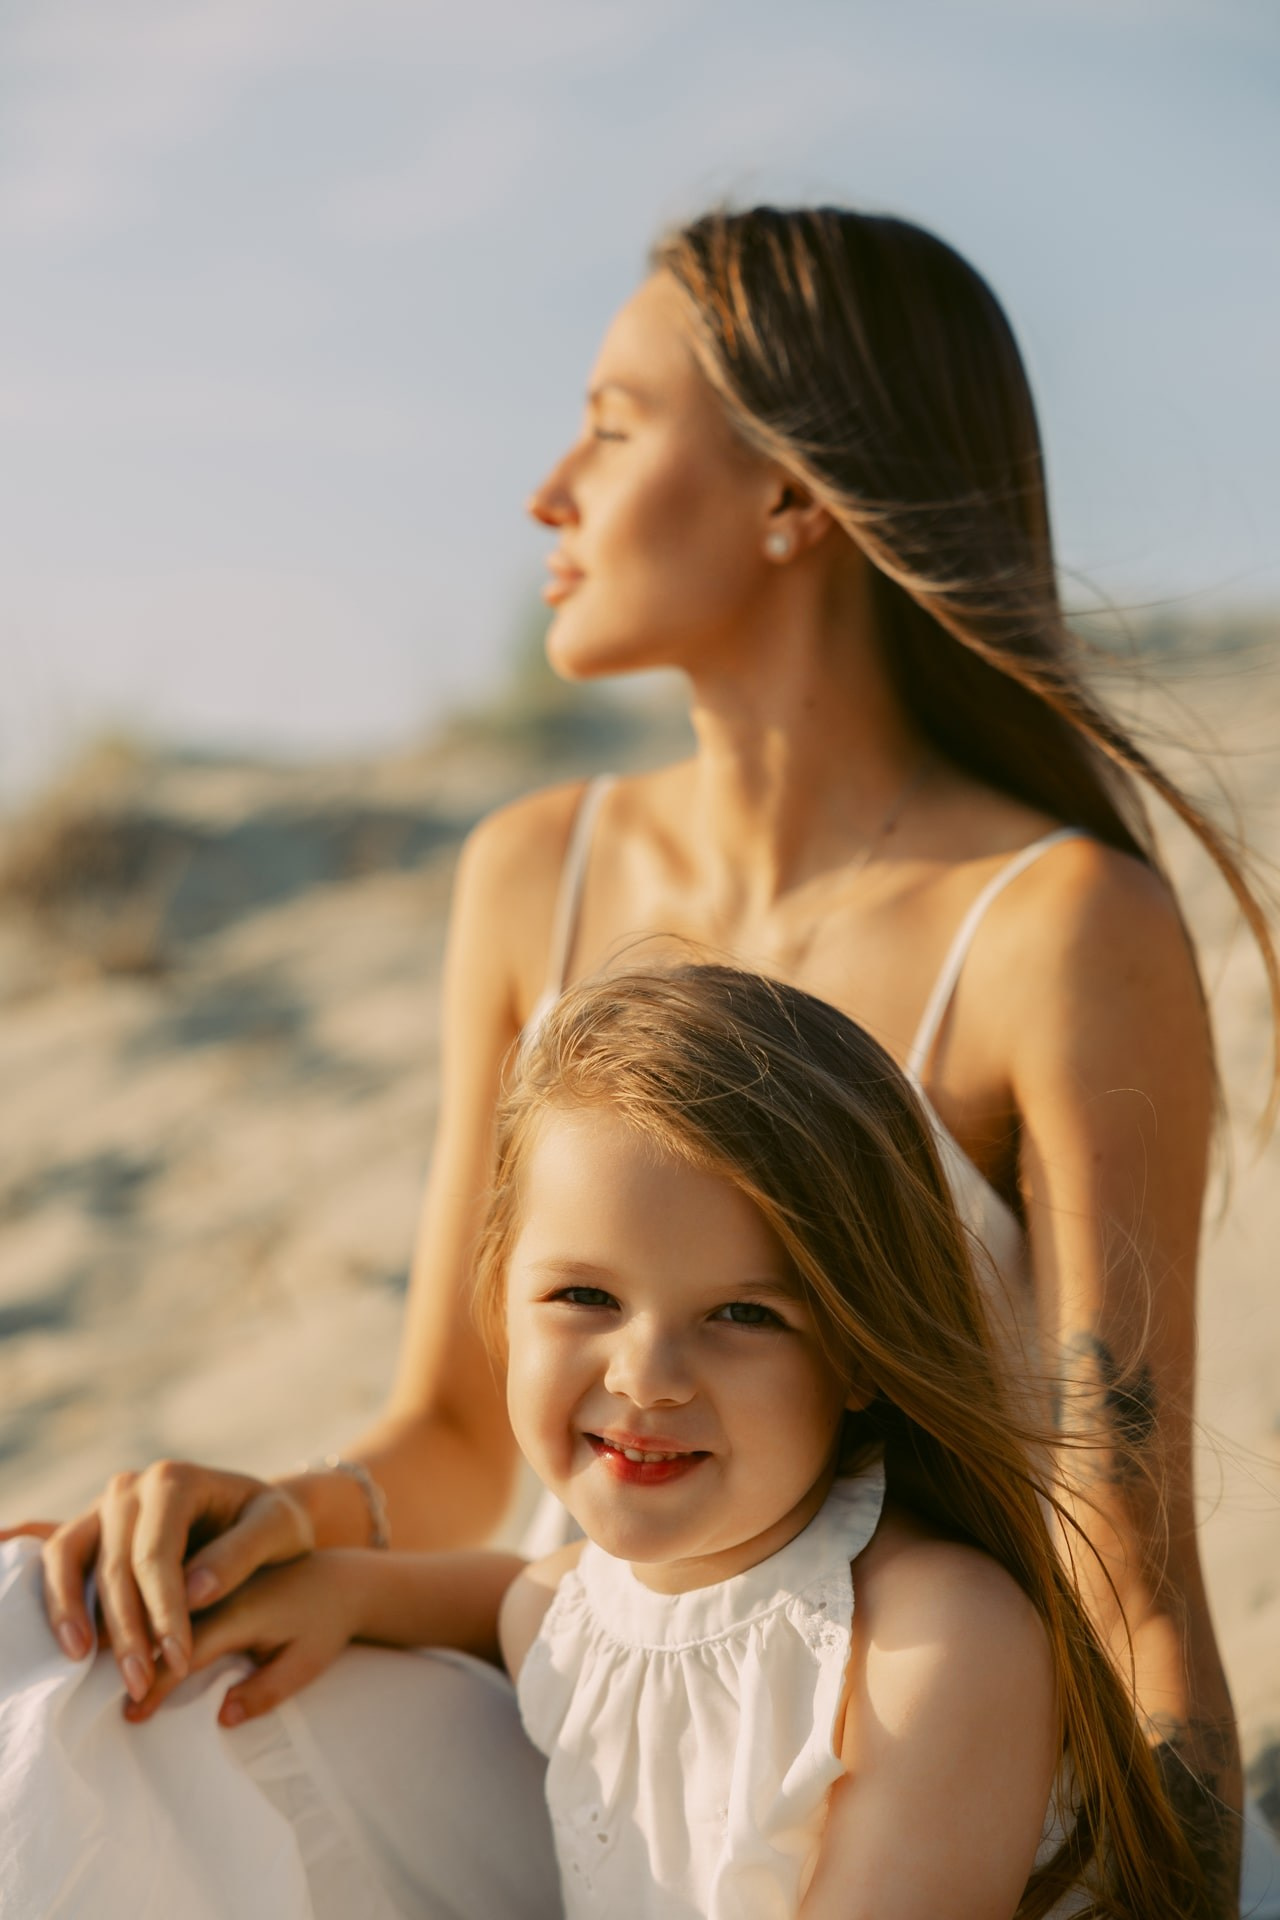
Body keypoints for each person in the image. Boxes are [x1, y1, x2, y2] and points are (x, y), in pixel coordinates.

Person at [5, 205, 1279, 1915]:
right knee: (52, 1640)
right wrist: (277, 1522)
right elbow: (464, 1417)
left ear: (788, 493)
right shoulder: (533, 868)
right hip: (567, 1692)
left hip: (882, 1763)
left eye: (610, 427)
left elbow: (1125, 1547)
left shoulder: (1056, 925)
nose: (549, 490)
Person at [9, 966, 1210, 1919]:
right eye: (583, 1298)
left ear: (855, 1350)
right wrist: (339, 1586)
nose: (645, 1377)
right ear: (499, 1301)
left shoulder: (934, 1637)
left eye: (744, 1315)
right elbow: (524, 1604)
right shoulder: (593, 1598)